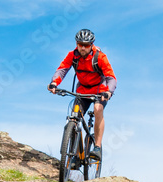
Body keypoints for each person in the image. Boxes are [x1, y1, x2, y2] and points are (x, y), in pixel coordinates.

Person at [48, 29, 117, 159]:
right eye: (80, 44)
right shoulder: (72, 55)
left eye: (86, 45)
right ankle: (75, 155)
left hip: (99, 90)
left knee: (98, 109)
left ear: (91, 45)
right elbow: (62, 70)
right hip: (83, 90)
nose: (83, 48)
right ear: (76, 43)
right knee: (74, 117)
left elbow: (111, 77)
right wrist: (54, 83)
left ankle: (97, 147)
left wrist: (109, 91)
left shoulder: (100, 57)